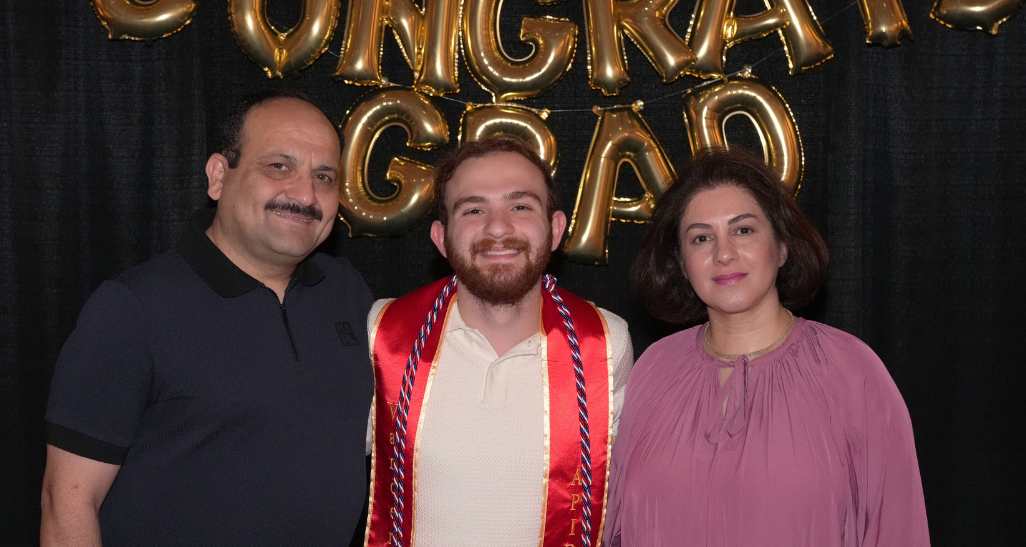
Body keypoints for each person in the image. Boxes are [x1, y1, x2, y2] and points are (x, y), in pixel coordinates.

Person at [41, 90, 375, 547]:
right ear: (218, 176)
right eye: (279, 166)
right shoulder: (133, 308)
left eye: (324, 177)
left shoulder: (347, 292)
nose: (305, 195)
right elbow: (67, 502)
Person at [606, 150, 929, 546]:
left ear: (782, 246)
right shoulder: (654, 369)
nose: (723, 253)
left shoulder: (852, 370)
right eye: (701, 238)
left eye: (743, 230)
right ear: (682, 263)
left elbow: (896, 529)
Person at [362, 136, 634, 547]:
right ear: (441, 238)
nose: (498, 228)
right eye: (473, 209)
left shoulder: (607, 342)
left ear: (555, 229)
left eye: (520, 206)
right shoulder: (384, 333)